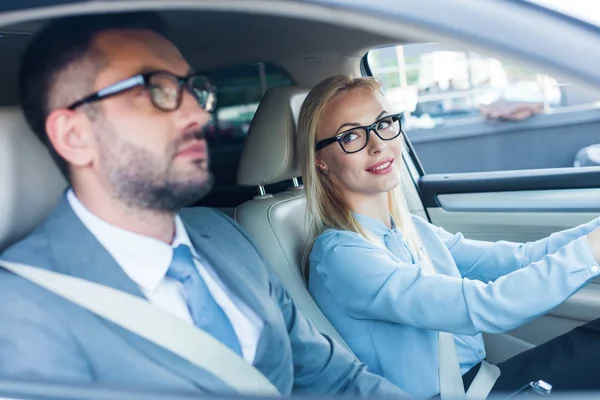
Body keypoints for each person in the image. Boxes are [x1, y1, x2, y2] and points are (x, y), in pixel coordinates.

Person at [0, 14, 410, 398]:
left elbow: (336, 378)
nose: (198, 113)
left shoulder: (222, 234)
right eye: (157, 90)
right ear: (74, 136)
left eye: (192, 89)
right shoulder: (21, 313)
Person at [298, 74, 600, 399]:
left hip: (483, 379)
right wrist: (590, 252)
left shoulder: (410, 230)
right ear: (320, 160)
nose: (378, 144)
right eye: (350, 136)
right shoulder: (341, 255)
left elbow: (520, 258)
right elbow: (482, 306)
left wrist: (592, 233)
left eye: (383, 124)